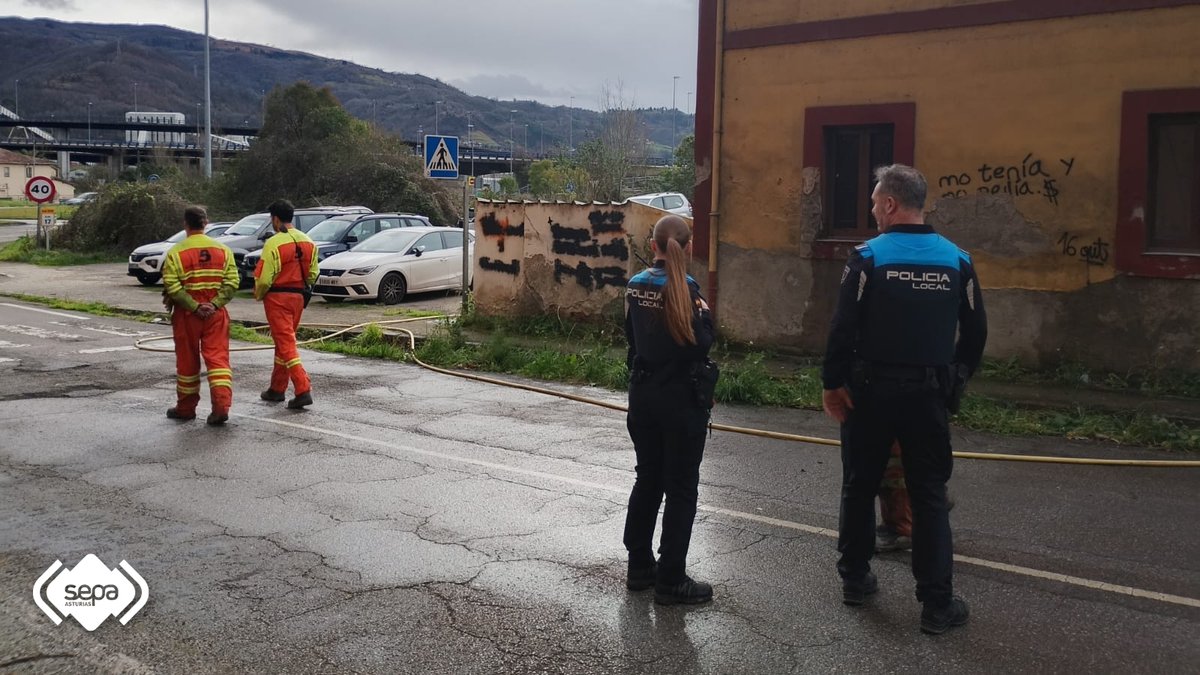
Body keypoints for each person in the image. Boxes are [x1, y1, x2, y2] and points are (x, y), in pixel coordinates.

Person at [821, 164, 987, 635]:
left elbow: (842, 328)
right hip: (928, 396)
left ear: (891, 204)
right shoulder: (958, 260)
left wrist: (833, 384)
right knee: (929, 495)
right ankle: (937, 605)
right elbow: (976, 331)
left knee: (858, 485)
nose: (872, 208)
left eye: (875, 201)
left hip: (869, 396)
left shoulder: (867, 259)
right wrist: (956, 378)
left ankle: (855, 580)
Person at [622, 214, 717, 606]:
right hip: (681, 403)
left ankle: (639, 566)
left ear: (653, 245)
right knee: (680, 488)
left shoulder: (634, 286)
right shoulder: (690, 292)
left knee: (648, 480)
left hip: (642, 399)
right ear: (689, 247)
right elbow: (704, 342)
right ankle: (671, 578)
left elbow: (631, 337)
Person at [161, 205, 240, 426]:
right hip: (215, 314)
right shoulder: (224, 251)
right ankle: (221, 407)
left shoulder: (176, 253)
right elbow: (233, 283)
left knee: (187, 362)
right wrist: (214, 304)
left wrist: (195, 306)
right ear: (206, 223)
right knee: (218, 360)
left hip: (187, 315)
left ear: (185, 224)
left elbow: (172, 287)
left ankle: (185, 409)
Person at [254, 199, 319, 409]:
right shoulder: (309, 241)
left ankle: (303, 389)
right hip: (299, 297)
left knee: (286, 344)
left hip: (278, 298)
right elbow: (313, 274)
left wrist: (259, 294)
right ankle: (276, 389)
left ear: (275, 219)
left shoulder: (274, 243)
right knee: (284, 343)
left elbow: (264, 279)